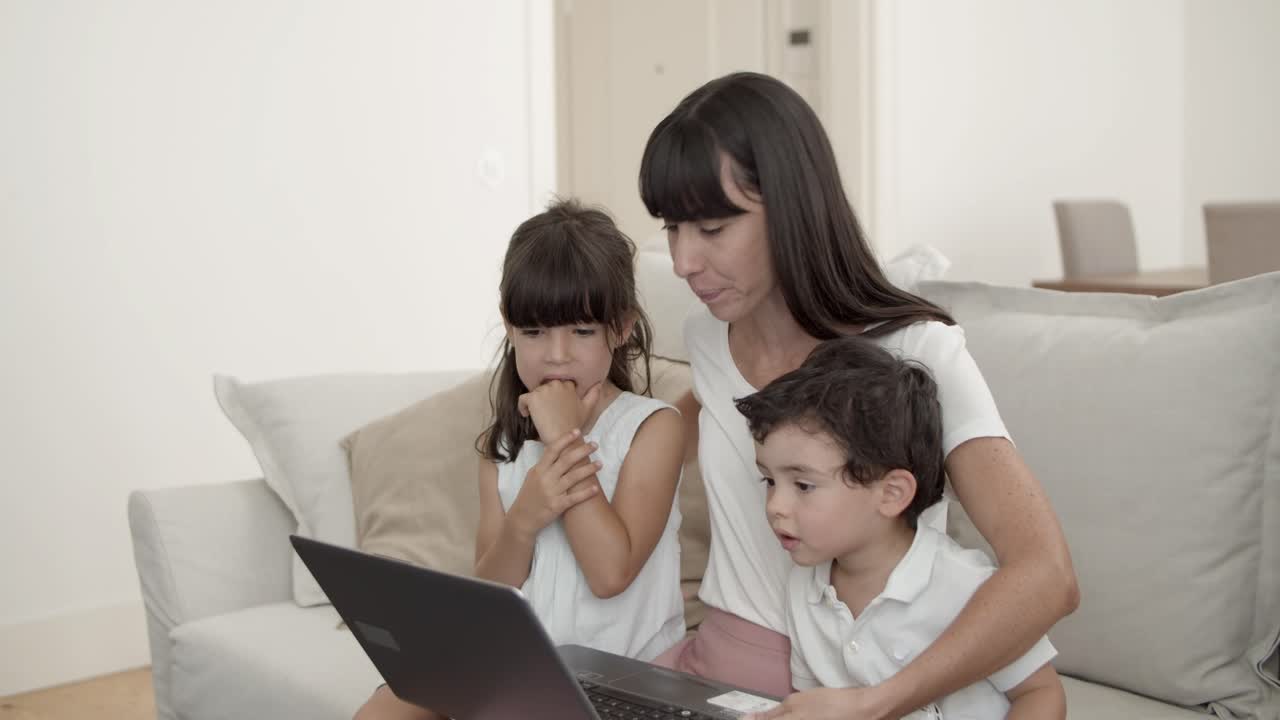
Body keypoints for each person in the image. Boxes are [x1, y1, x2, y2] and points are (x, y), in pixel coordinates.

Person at [641, 71, 1079, 717]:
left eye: (710, 228)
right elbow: (665, 434)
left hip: (857, 677)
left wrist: (875, 702)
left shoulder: (917, 352)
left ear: (792, 206)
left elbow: (1048, 576)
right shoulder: (708, 340)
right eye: (671, 228)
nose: (682, 262)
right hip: (718, 665)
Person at [354, 199, 686, 720]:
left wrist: (562, 436)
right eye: (534, 333)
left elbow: (610, 574)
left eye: (580, 331)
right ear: (510, 329)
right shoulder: (502, 447)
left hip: (619, 677)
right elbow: (490, 589)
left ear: (620, 328)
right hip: (521, 668)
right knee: (383, 712)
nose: (555, 355)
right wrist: (525, 519)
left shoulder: (654, 427)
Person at [735, 336, 1066, 719]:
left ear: (891, 494)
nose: (776, 506)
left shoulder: (963, 585)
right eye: (769, 482)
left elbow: (1041, 693)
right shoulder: (804, 589)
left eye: (803, 485)